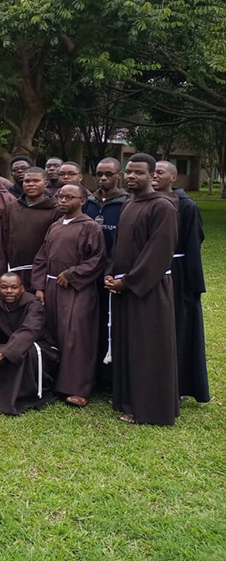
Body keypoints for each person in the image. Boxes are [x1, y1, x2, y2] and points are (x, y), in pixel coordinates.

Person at [105, 153, 179, 425]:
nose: (132, 176)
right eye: (129, 172)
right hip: (124, 286)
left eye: (139, 172)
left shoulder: (163, 207)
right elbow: (120, 247)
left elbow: (158, 253)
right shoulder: (128, 204)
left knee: (148, 348)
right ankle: (128, 399)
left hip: (148, 289)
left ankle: (149, 408)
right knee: (128, 344)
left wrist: (129, 281)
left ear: (152, 176)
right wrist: (111, 274)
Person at [32, 184, 106, 407]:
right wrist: (39, 286)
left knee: (76, 337)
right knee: (53, 333)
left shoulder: (91, 227)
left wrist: (72, 274)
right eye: (60, 196)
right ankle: (53, 382)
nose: (62, 200)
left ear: (82, 201)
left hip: (77, 290)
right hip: (52, 287)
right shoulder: (54, 226)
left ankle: (77, 388)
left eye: (69, 197)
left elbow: (98, 259)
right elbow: (41, 257)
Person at [152, 160, 209, 403]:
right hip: (151, 271)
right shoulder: (145, 202)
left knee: (180, 327)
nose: (155, 176)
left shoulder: (187, 206)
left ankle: (180, 384)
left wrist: (191, 284)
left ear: (173, 178)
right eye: (152, 172)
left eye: (160, 172)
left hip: (178, 273)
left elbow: (194, 244)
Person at [0, 272, 59, 415]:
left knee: (22, 353)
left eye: (14, 287)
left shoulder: (33, 305)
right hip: (11, 345)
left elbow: (27, 333)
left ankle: (23, 394)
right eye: (4, 287)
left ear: (22, 289)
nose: (9, 291)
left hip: (39, 348)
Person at [82, 156, 128, 389]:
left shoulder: (127, 203)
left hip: (114, 275)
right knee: (90, 325)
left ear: (119, 175)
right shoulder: (88, 203)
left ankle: (112, 378)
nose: (103, 178)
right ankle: (94, 375)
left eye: (108, 174)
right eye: (99, 173)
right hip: (88, 273)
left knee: (113, 325)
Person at [0, 167, 60, 289]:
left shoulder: (55, 211)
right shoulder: (11, 208)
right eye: (27, 181)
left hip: (41, 272)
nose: (31, 184)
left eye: (36, 181)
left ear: (46, 183)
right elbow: (3, 239)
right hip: (14, 270)